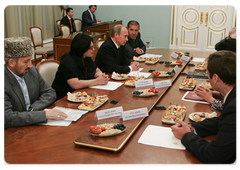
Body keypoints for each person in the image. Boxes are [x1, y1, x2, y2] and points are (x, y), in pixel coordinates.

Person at [171, 50, 237, 164]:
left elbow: (213, 156)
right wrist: (193, 128)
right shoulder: (233, 95)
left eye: (207, 73)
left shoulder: (234, 108)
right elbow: (223, 121)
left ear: (215, 78)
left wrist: (186, 135)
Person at [2, 37, 68, 130]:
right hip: (12, 133)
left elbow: (50, 92)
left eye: (30, 60)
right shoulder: (3, 81)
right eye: (26, 61)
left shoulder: (31, 71)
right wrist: (42, 115)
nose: (30, 65)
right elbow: (7, 118)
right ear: (12, 62)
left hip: (34, 126)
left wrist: (33, 109)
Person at [52, 33, 109, 100]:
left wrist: (101, 76)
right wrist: (97, 81)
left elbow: (96, 70)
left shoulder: (86, 57)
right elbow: (75, 84)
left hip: (82, 94)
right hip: (65, 98)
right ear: (83, 49)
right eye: (91, 47)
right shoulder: (67, 62)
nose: (93, 49)